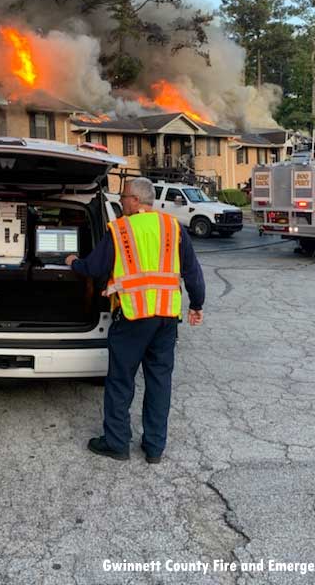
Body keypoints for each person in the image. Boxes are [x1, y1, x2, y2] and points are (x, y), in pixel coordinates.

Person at [65, 177, 204, 464]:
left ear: (136, 200)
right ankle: (154, 448)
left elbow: (94, 268)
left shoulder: (121, 230)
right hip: (166, 318)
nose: (121, 200)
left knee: (120, 381)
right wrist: (197, 304)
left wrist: (72, 262)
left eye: (124, 196)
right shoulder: (172, 227)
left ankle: (117, 443)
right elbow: (192, 271)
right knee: (159, 382)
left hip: (132, 317)